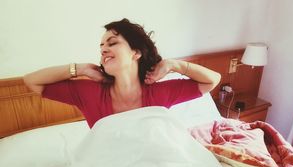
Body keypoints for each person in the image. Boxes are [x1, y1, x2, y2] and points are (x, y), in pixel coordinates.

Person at [23, 18, 221, 128]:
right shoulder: (89, 93)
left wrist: (173, 65)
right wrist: (80, 69)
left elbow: (212, 80)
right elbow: (32, 81)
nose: (103, 50)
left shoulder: (159, 93)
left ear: (135, 52)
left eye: (112, 43)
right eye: (101, 46)